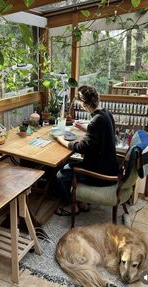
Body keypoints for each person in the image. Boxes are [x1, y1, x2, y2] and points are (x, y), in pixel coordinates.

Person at [55, 85, 119, 216]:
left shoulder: (96, 120)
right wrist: (85, 128)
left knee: (61, 174)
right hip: (109, 167)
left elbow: (81, 148)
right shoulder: (106, 114)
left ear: (84, 104)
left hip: (100, 174)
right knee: (69, 165)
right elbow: (101, 133)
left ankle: (71, 206)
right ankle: (82, 202)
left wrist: (60, 139)